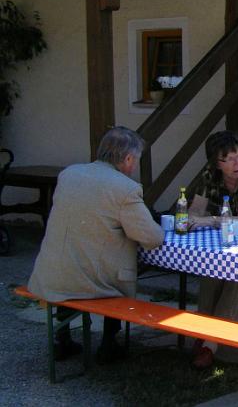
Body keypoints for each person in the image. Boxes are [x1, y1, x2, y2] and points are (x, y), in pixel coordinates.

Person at [28, 127, 164, 364]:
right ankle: (109, 343)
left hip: (50, 275)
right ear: (129, 158)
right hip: (90, 283)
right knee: (117, 269)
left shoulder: (69, 174)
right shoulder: (125, 188)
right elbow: (152, 238)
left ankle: (64, 339)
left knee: (78, 259)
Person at [186, 130, 238, 368]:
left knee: (237, 278)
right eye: (229, 159)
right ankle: (203, 333)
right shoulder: (209, 175)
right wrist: (203, 219)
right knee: (211, 273)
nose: (237, 162)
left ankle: (210, 344)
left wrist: (209, 220)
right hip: (220, 244)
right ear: (216, 163)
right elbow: (193, 212)